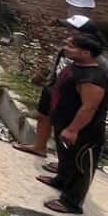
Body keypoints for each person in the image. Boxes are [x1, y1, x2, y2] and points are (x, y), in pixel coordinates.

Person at [14, 15, 108, 159]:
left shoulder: (97, 60)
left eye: (72, 29)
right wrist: (50, 82)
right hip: (55, 88)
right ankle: (39, 147)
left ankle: (63, 162)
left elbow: (97, 87)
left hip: (74, 96)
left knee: (65, 125)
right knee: (43, 116)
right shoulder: (67, 47)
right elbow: (58, 65)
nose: (67, 31)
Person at [37, 33, 108, 214]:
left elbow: (89, 108)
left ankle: (71, 202)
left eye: (71, 46)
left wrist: (72, 129)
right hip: (64, 123)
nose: (65, 48)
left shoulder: (93, 77)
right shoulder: (77, 66)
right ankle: (60, 180)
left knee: (79, 166)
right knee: (66, 158)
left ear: (85, 52)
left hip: (83, 131)